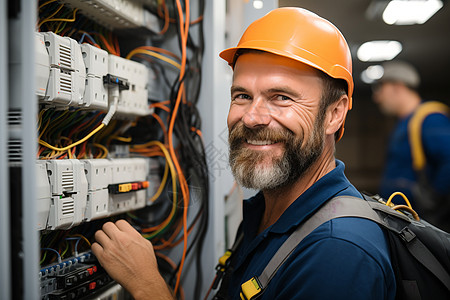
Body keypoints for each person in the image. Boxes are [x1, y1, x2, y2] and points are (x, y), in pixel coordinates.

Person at [92, 7, 396, 299]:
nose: (251, 117)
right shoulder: (267, 213)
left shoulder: (338, 252)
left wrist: (146, 286)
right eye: (242, 95)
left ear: (334, 114)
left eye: (281, 97)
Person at [372, 60, 450, 230]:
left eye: (380, 88)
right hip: (405, 224)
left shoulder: (430, 119)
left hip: (422, 224)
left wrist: (434, 205)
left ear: (397, 87)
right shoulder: (405, 122)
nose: (376, 97)